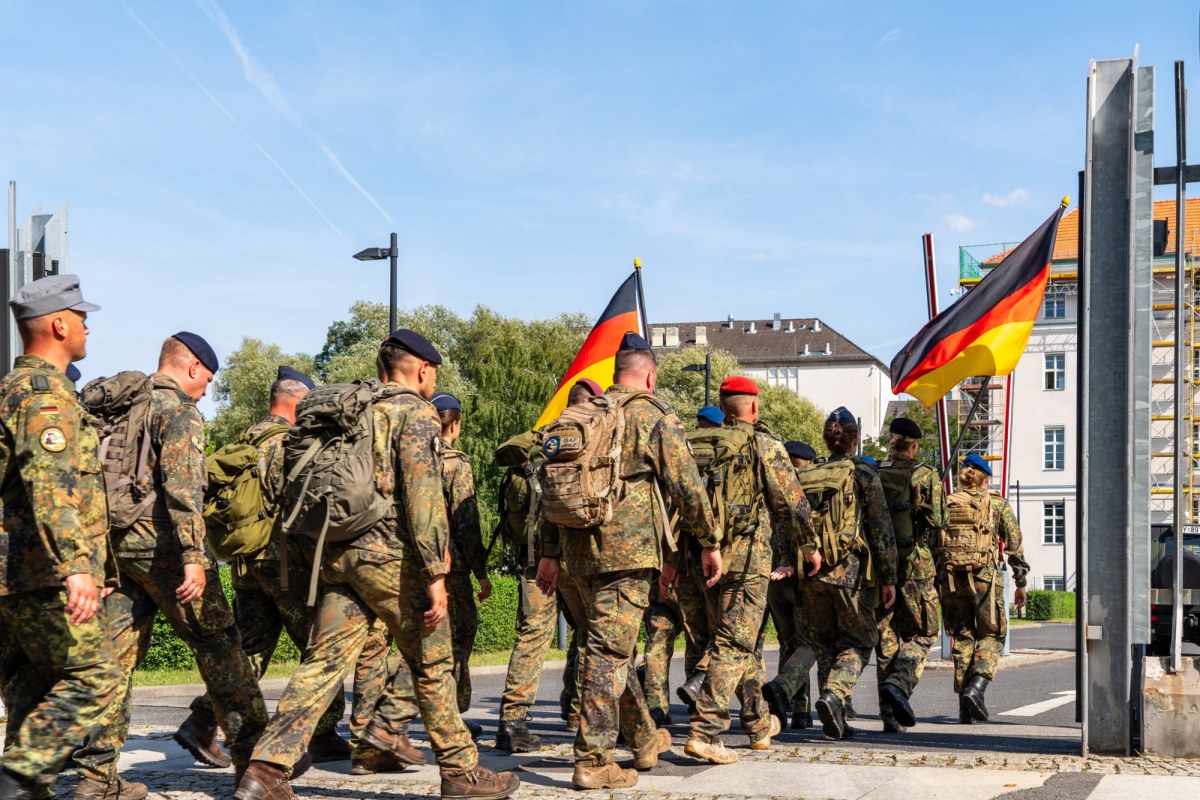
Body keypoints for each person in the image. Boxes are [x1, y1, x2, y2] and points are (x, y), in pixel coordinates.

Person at [234, 330, 518, 800]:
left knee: (322, 662)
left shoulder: (350, 409)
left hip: (335, 553)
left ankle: (264, 770)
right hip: (388, 557)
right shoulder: (414, 412)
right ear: (423, 369)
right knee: (433, 658)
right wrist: (436, 574)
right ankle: (461, 771)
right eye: (433, 373)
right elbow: (424, 498)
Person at [74, 333, 268, 800]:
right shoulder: (177, 409)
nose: (206, 391)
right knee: (221, 647)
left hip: (111, 545)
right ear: (194, 367)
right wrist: (194, 557)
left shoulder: (121, 406)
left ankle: (95, 778)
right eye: (208, 381)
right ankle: (257, 769)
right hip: (161, 544)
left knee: (113, 659)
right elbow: (184, 490)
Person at [536, 333, 722, 790]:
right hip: (626, 554)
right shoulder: (651, 415)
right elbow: (687, 485)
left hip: (578, 552)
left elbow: (553, 485)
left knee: (610, 648)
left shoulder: (584, 413)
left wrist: (549, 552)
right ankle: (594, 760)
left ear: (615, 374)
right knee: (608, 654)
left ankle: (643, 739)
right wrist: (709, 541)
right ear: (650, 376)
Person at [175, 367, 365, 768]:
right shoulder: (292, 444)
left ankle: (202, 720)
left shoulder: (246, 439)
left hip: (245, 565)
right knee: (321, 648)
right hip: (287, 567)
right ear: (298, 401)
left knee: (250, 649)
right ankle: (319, 735)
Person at [0, 276, 120, 800]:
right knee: (96, 676)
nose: (87, 326)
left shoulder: (13, 388)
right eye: (81, 317)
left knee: (30, 691)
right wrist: (77, 567)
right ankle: (17, 777)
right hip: (40, 569)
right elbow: (51, 486)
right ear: (58, 324)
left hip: (15, 574)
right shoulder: (43, 396)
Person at [679, 377, 820, 765]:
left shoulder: (695, 443)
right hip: (746, 560)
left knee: (743, 643)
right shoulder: (763, 444)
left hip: (703, 558)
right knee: (735, 643)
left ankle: (758, 724)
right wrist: (809, 546)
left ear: (723, 406)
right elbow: (792, 502)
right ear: (753, 407)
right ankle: (705, 731)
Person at [775, 407, 897, 741]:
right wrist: (888, 578)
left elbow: (789, 524)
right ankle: (834, 695)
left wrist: (789, 561)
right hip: (849, 575)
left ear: (827, 439)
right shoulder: (863, 475)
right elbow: (881, 530)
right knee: (862, 641)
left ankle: (821, 709)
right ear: (855, 439)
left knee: (822, 644)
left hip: (810, 573)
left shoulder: (808, 474)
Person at [495, 378, 601, 752]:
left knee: (531, 638)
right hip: (578, 560)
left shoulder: (537, 447)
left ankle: (512, 723)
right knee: (594, 635)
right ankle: (584, 715)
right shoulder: (594, 442)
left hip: (534, 560)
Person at [940, 453, 1028, 723]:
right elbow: (1014, 546)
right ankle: (977, 688)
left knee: (962, 638)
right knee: (992, 634)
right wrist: (1020, 582)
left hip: (951, 579)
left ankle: (964, 708)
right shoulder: (997, 504)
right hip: (984, 577)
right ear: (985, 478)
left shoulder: (947, 502)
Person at [874, 417, 946, 733]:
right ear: (914, 445)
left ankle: (889, 717)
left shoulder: (875, 472)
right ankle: (900, 682)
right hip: (916, 567)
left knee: (886, 641)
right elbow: (939, 521)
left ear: (891, 442)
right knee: (924, 634)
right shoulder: (926, 475)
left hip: (879, 569)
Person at [432, 391, 491, 737]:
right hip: (450, 571)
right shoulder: (456, 464)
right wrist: (481, 573)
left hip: (410, 566)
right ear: (454, 425)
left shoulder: (410, 459)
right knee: (459, 637)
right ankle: (452, 717)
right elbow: (467, 523)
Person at [763, 440, 818, 729]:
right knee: (806, 642)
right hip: (797, 574)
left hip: (770, 575)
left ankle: (790, 708)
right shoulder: (802, 488)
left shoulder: (768, 484)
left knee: (787, 642)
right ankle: (799, 708)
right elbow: (793, 528)